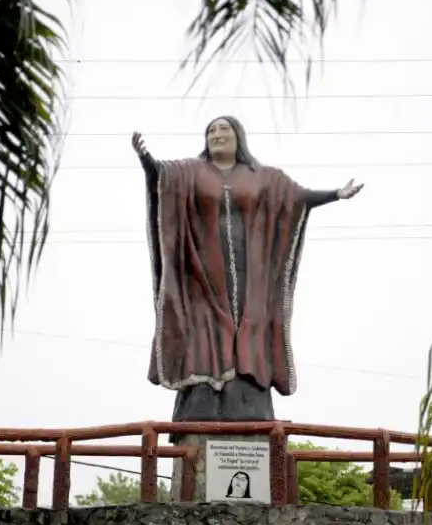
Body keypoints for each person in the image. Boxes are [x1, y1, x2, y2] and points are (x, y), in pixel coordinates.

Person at [134, 116, 363, 428]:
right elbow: (163, 178)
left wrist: (336, 194)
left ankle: (246, 390)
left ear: (238, 137)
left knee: (252, 325)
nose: (217, 135)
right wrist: (146, 159)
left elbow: (296, 197)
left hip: (250, 274)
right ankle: (205, 392)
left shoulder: (262, 176)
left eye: (224, 129)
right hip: (202, 273)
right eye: (211, 131)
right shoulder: (191, 170)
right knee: (205, 326)